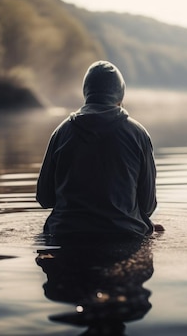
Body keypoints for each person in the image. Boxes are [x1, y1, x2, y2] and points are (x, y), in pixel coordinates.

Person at [36, 60, 160, 238]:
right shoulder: (138, 135)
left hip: (66, 235)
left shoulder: (62, 132)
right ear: (120, 95)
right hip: (124, 237)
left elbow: (44, 198)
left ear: (86, 92)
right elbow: (148, 206)